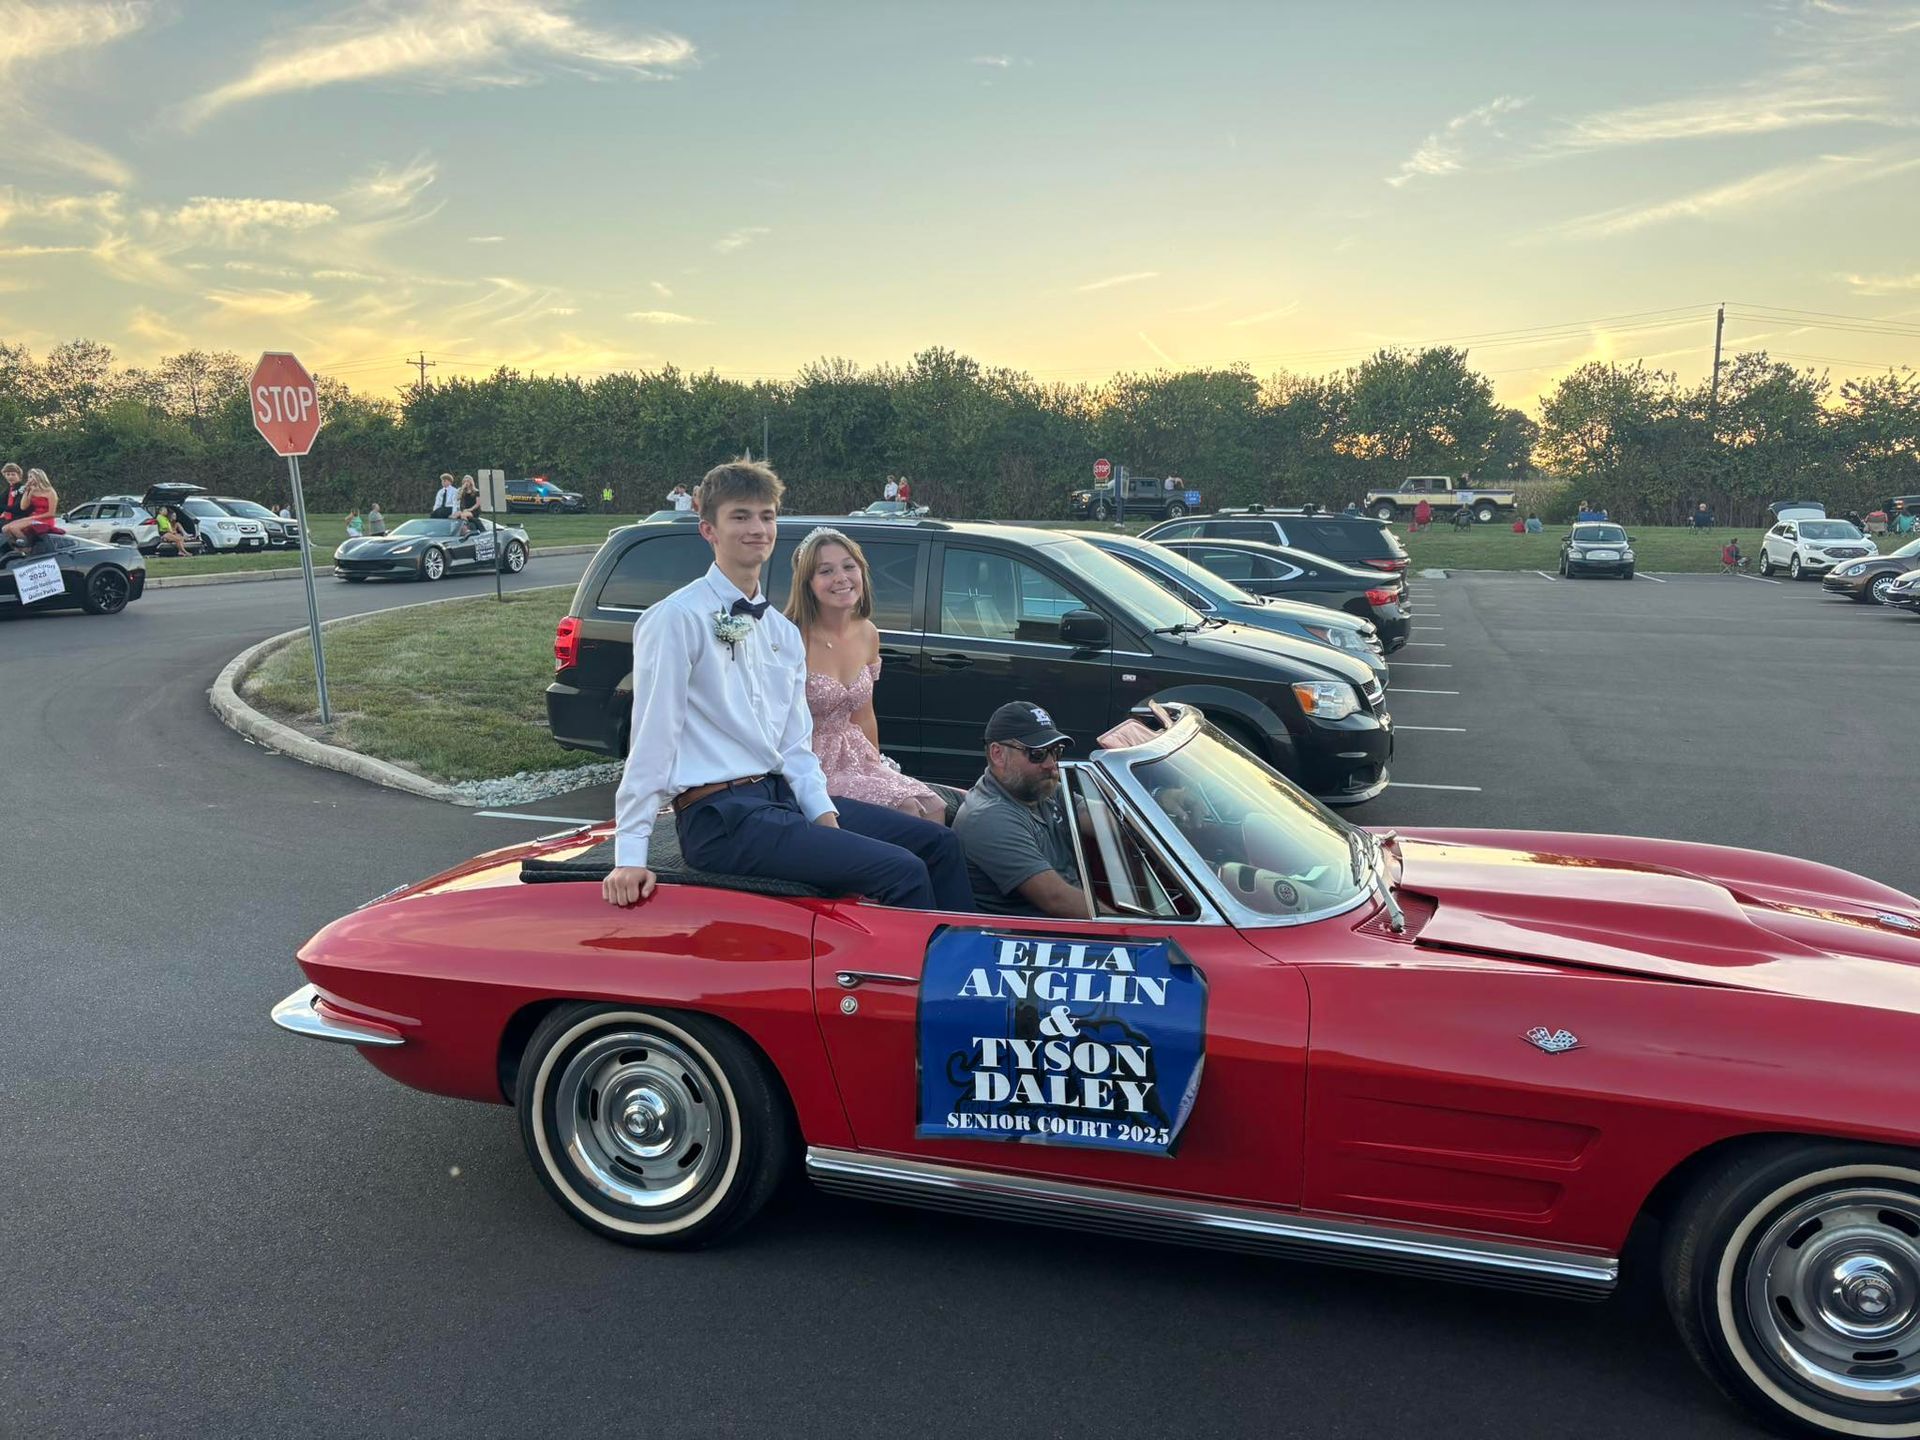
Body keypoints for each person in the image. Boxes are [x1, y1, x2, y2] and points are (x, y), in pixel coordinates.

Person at [602, 459, 971, 912]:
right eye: (740, 516)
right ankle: (914, 981)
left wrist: (826, 820)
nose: (757, 528)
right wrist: (630, 855)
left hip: (781, 798)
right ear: (708, 530)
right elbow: (651, 738)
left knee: (938, 845)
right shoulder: (676, 618)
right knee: (902, 870)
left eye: (767, 516)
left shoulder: (779, 631)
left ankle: (967, 971)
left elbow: (795, 745)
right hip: (720, 819)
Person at [787, 526, 947, 824]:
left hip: (855, 754)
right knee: (906, 810)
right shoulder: (791, 636)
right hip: (810, 762)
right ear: (806, 582)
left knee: (934, 805)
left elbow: (864, 716)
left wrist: (878, 767)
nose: (841, 578)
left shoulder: (867, 632)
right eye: (826, 571)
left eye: (849, 566)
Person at [953, 703, 1092, 918]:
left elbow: (1103, 819)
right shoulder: (989, 817)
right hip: (1031, 939)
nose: (1051, 764)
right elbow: (1056, 899)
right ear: (998, 754)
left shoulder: (1042, 790)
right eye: (1037, 753)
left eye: (1056, 752)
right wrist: (1135, 924)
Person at [2, 467, 59, 548]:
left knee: (14, 528)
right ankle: (18, 549)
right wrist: (27, 491)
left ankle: (28, 548)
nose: (29, 479)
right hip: (33, 517)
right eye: (29, 477)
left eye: (31, 477)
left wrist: (32, 518)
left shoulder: (50, 491)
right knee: (5, 529)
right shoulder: (32, 491)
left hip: (45, 518)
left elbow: (51, 514)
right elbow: (23, 507)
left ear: (39, 477)